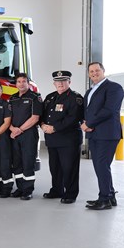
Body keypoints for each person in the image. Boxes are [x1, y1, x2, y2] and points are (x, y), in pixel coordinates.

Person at [82, 62, 124, 210]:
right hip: (94, 134)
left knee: (101, 165)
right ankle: (110, 196)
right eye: (91, 71)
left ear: (103, 71)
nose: (94, 73)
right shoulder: (90, 91)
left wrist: (89, 123)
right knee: (101, 166)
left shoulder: (114, 88)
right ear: (88, 74)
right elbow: (86, 110)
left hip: (107, 134)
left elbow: (109, 110)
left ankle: (104, 199)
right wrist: (83, 122)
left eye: (97, 70)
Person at [41, 71, 84, 204]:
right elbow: (42, 114)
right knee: (55, 167)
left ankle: (70, 194)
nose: (60, 83)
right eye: (57, 81)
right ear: (54, 83)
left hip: (68, 140)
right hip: (52, 140)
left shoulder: (75, 98)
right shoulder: (50, 97)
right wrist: (42, 124)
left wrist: (54, 128)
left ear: (69, 82)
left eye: (63, 81)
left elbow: (73, 118)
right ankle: (56, 190)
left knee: (69, 168)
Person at [8, 73, 42, 200]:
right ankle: (20, 188)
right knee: (16, 162)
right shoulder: (12, 98)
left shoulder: (35, 97)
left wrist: (19, 130)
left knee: (28, 162)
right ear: (16, 84)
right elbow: (8, 118)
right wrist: (12, 129)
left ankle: (28, 190)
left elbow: (35, 118)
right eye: (19, 81)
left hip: (28, 134)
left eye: (24, 81)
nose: (21, 84)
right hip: (14, 134)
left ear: (28, 83)